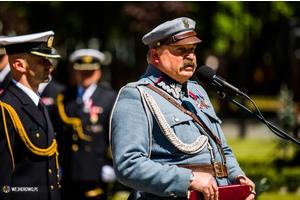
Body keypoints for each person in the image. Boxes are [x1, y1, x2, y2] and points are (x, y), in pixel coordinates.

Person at [110, 17, 256, 200]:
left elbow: (221, 148)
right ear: (155, 56)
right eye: (181, 50)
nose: (190, 57)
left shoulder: (197, 91)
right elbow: (128, 165)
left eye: (192, 50)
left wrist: (237, 177)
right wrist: (188, 179)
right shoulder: (136, 96)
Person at [0, 31, 61, 200]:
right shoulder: (5, 108)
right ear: (19, 65)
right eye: (42, 60)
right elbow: (2, 179)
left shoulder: (36, 102)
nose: (50, 66)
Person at [55, 48, 117, 200]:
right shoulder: (64, 96)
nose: (85, 75)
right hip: (69, 168)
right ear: (75, 72)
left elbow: (114, 134)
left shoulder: (109, 97)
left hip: (96, 169)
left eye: (90, 72)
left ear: (98, 72)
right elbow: (59, 133)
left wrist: (111, 164)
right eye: (82, 71)